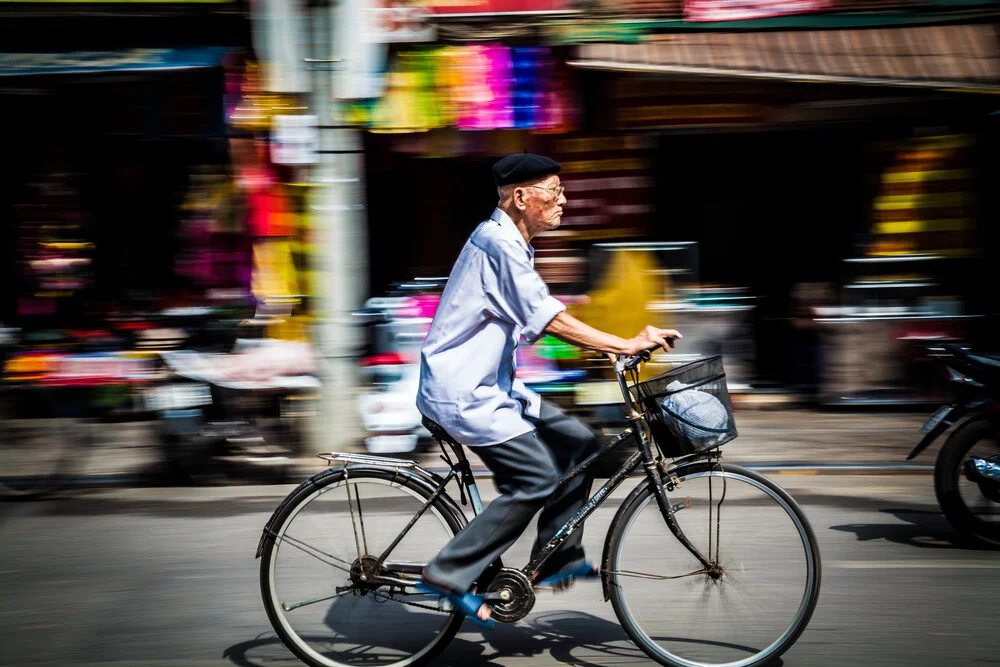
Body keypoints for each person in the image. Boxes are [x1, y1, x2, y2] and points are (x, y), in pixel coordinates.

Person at [416, 153, 681, 627]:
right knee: (536, 478)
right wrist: (620, 345)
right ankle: (448, 573)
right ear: (521, 198)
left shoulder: (511, 242)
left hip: (494, 387)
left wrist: (603, 347)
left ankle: (556, 556)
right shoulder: (498, 244)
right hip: (463, 395)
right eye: (554, 191)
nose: (564, 200)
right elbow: (548, 318)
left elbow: (539, 316)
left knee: (581, 444)